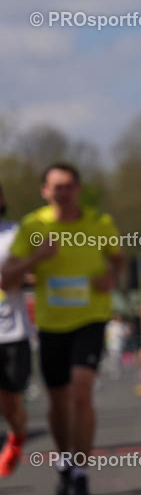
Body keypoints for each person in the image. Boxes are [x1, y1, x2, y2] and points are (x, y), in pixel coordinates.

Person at [0, 163, 124, 495]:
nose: (62, 192)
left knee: (81, 392)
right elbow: (7, 277)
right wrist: (38, 257)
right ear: (44, 191)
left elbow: (117, 259)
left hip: (91, 317)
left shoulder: (100, 223)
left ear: (78, 188)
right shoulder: (33, 226)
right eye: (56, 187)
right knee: (58, 401)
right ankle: (65, 460)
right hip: (52, 324)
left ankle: (82, 470)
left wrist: (112, 277)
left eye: (68, 185)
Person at [0, 183, 34, 477]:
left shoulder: (15, 234)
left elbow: (36, 274)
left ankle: (17, 433)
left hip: (12, 333)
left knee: (10, 405)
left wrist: (17, 277)